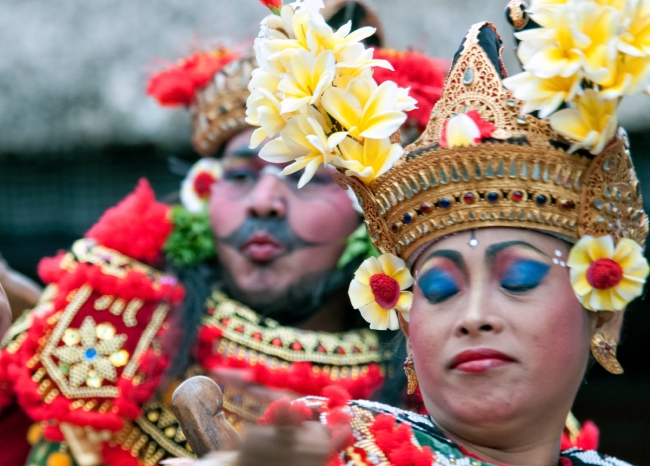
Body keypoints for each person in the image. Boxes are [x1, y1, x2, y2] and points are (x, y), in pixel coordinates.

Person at [0, 2, 447, 465]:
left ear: (371, 215)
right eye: (239, 176)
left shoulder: (438, 386)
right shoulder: (109, 326)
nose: (263, 201)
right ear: (203, 195)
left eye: (305, 177)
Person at [225, 0, 649, 464]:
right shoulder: (341, 449)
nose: (474, 316)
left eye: (520, 279)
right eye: (439, 288)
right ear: (406, 324)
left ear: (606, 314)